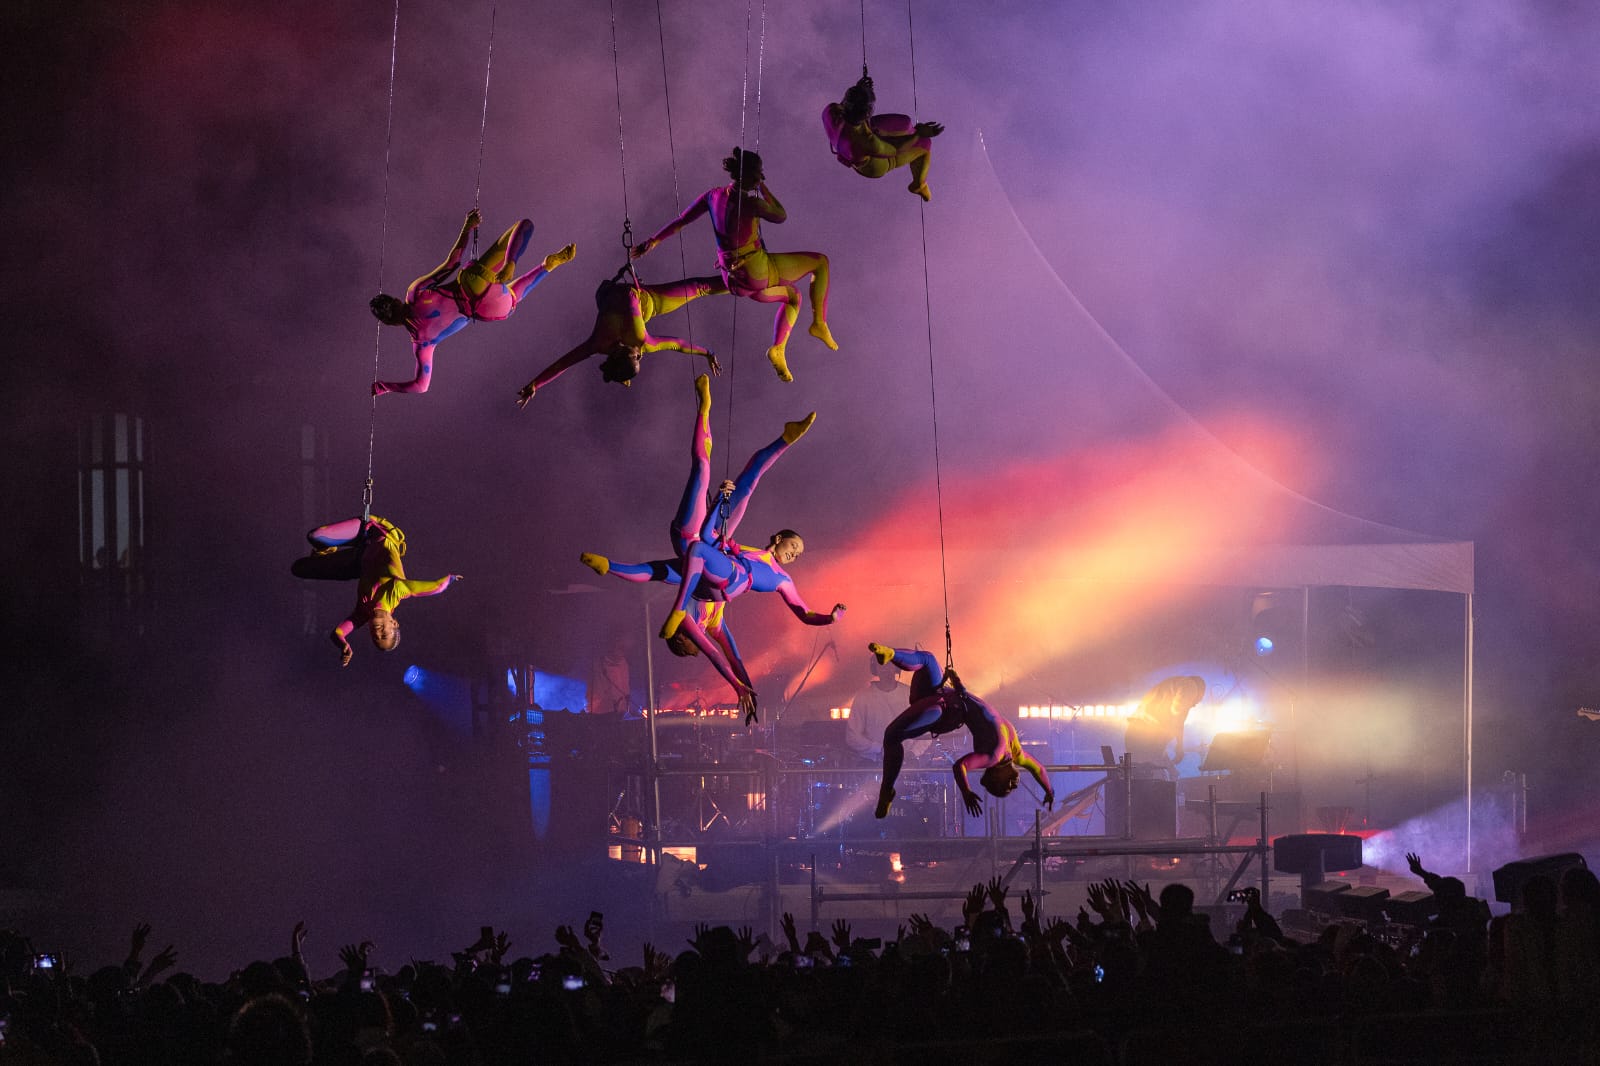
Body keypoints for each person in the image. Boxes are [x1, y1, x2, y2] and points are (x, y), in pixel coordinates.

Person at [579, 375, 845, 722]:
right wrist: (745, 687)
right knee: (745, 486)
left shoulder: (698, 620)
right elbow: (731, 656)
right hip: (712, 549)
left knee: (703, 473)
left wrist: (738, 685)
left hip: (696, 541)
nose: (794, 555)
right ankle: (785, 438)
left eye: (689, 648)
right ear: (779, 540)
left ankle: (709, 409)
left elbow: (716, 653)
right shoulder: (727, 604)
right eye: (795, 549)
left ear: (682, 638)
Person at [629, 148, 836, 383]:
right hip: (756, 272)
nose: (761, 177)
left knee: (793, 297)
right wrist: (763, 188)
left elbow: (682, 220)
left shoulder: (713, 196)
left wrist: (653, 241)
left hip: (735, 281)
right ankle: (819, 323)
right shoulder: (751, 203)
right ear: (747, 175)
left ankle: (778, 349)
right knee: (820, 262)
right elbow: (781, 215)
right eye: (758, 174)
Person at [369, 208, 576, 395]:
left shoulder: (422, 343)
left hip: (488, 309)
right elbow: (452, 263)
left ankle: (546, 267)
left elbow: (421, 386)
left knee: (513, 299)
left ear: (389, 323)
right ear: (395, 300)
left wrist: (385, 387)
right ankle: (510, 263)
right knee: (524, 226)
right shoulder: (414, 293)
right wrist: (467, 227)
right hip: (472, 280)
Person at [868, 643, 1053, 820]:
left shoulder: (992, 757)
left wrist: (966, 792)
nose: (1014, 785)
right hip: (942, 694)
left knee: (891, 736)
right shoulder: (1016, 753)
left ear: (995, 775)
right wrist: (1049, 791)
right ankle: (890, 654)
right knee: (928, 659)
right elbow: (1039, 769)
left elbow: (960, 766)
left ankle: (887, 791)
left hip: (943, 710)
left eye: (1007, 787)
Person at [515, 266, 727, 402]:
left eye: (636, 358)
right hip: (650, 301)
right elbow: (678, 345)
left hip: (627, 296)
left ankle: (740, 280)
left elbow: (563, 363)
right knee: (699, 287)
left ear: (626, 355)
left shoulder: (610, 343)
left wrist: (536, 384)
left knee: (701, 287)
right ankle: (739, 280)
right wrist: (707, 352)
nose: (640, 356)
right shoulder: (632, 344)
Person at [290, 515, 461, 666]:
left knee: (300, 568)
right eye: (384, 635)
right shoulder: (396, 590)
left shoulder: (362, 613)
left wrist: (343, 645)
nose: (377, 632)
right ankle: (329, 549)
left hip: (360, 561)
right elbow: (437, 587)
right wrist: (450, 579)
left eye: (375, 637)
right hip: (374, 532)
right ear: (394, 623)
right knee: (316, 536)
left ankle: (325, 556)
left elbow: (338, 633)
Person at [821, 74, 944, 200]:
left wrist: (860, 89)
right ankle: (919, 185)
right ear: (867, 114)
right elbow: (895, 149)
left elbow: (846, 104)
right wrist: (919, 134)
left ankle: (911, 133)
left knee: (906, 123)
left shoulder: (830, 110)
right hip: (873, 165)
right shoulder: (866, 141)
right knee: (925, 144)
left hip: (852, 141)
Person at [844, 651, 929, 764]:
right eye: (881, 664)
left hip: (907, 764)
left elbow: (926, 732)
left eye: (889, 664)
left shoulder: (911, 694)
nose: (886, 668)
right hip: (872, 763)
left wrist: (912, 753)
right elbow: (852, 737)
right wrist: (879, 749)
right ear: (875, 668)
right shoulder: (863, 697)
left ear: (897, 667)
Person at [1123, 676, 1206, 778]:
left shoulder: (1173, 685)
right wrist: (1179, 746)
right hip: (1143, 737)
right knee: (1155, 780)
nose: (1195, 704)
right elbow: (1178, 715)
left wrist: (1171, 768)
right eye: (1199, 699)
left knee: (1144, 777)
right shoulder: (1190, 685)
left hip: (1136, 735)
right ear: (1199, 690)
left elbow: (1156, 749)